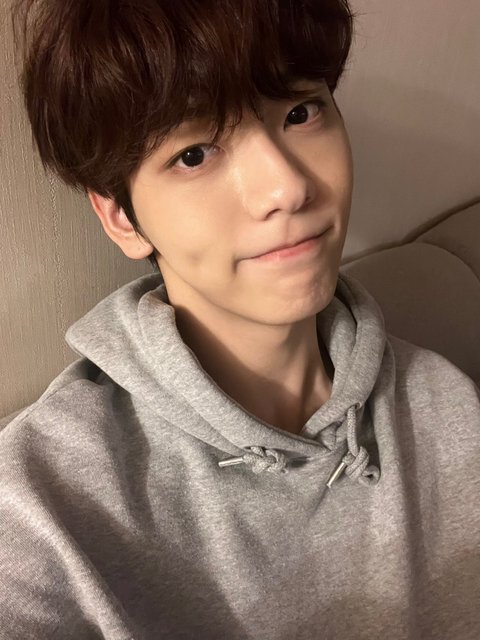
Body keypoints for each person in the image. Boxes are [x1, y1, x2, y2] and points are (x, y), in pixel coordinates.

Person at [2, 0, 480, 638]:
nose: (287, 187)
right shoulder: (44, 501)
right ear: (120, 217)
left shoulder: (445, 402)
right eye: (195, 154)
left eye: (300, 112)